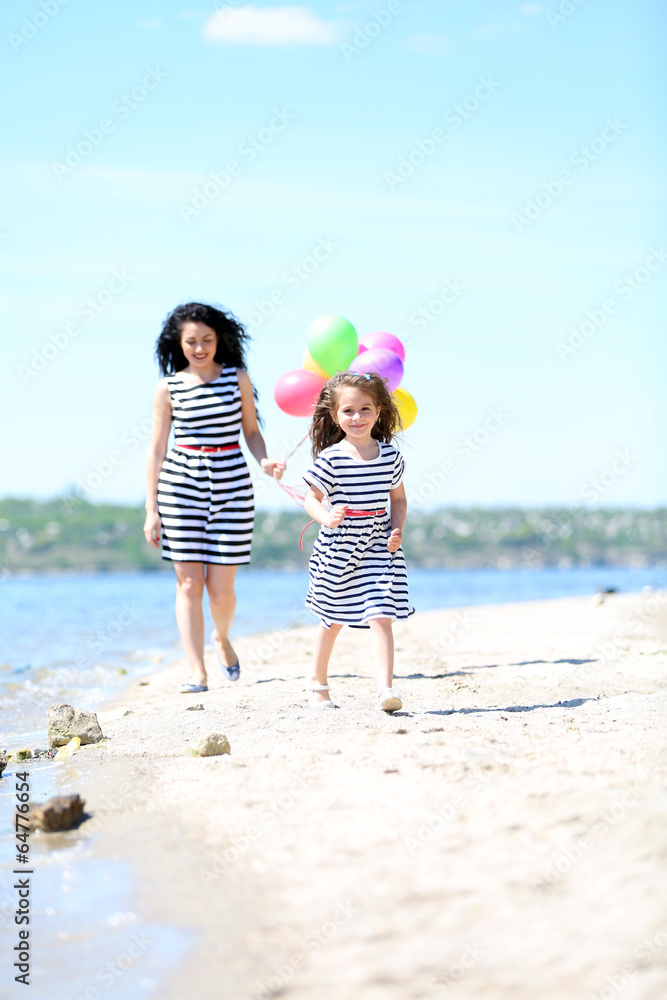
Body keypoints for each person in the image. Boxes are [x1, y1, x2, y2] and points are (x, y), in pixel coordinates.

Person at [143, 302, 285, 693]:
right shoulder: (167, 388)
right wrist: (151, 509)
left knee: (221, 590)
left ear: (219, 339)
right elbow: (156, 450)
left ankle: (221, 639)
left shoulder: (236, 378)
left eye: (207, 340)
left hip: (233, 485)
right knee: (189, 584)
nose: (200, 348)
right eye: (192, 341)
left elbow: (252, 432)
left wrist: (265, 462)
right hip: (179, 487)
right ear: (179, 343)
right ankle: (197, 673)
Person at [302, 370, 414, 712]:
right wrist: (326, 516)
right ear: (335, 416)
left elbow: (398, 499)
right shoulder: (332, 458)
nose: (357, 417)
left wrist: (397, 530)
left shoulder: (390, 456)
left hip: (377, 544)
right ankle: (318, 683)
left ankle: (385, 689)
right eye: (348, 411)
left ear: (379, 411)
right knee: (332, 618)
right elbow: (310, 499)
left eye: (365, 409)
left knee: (381, 613)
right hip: (339, 546)